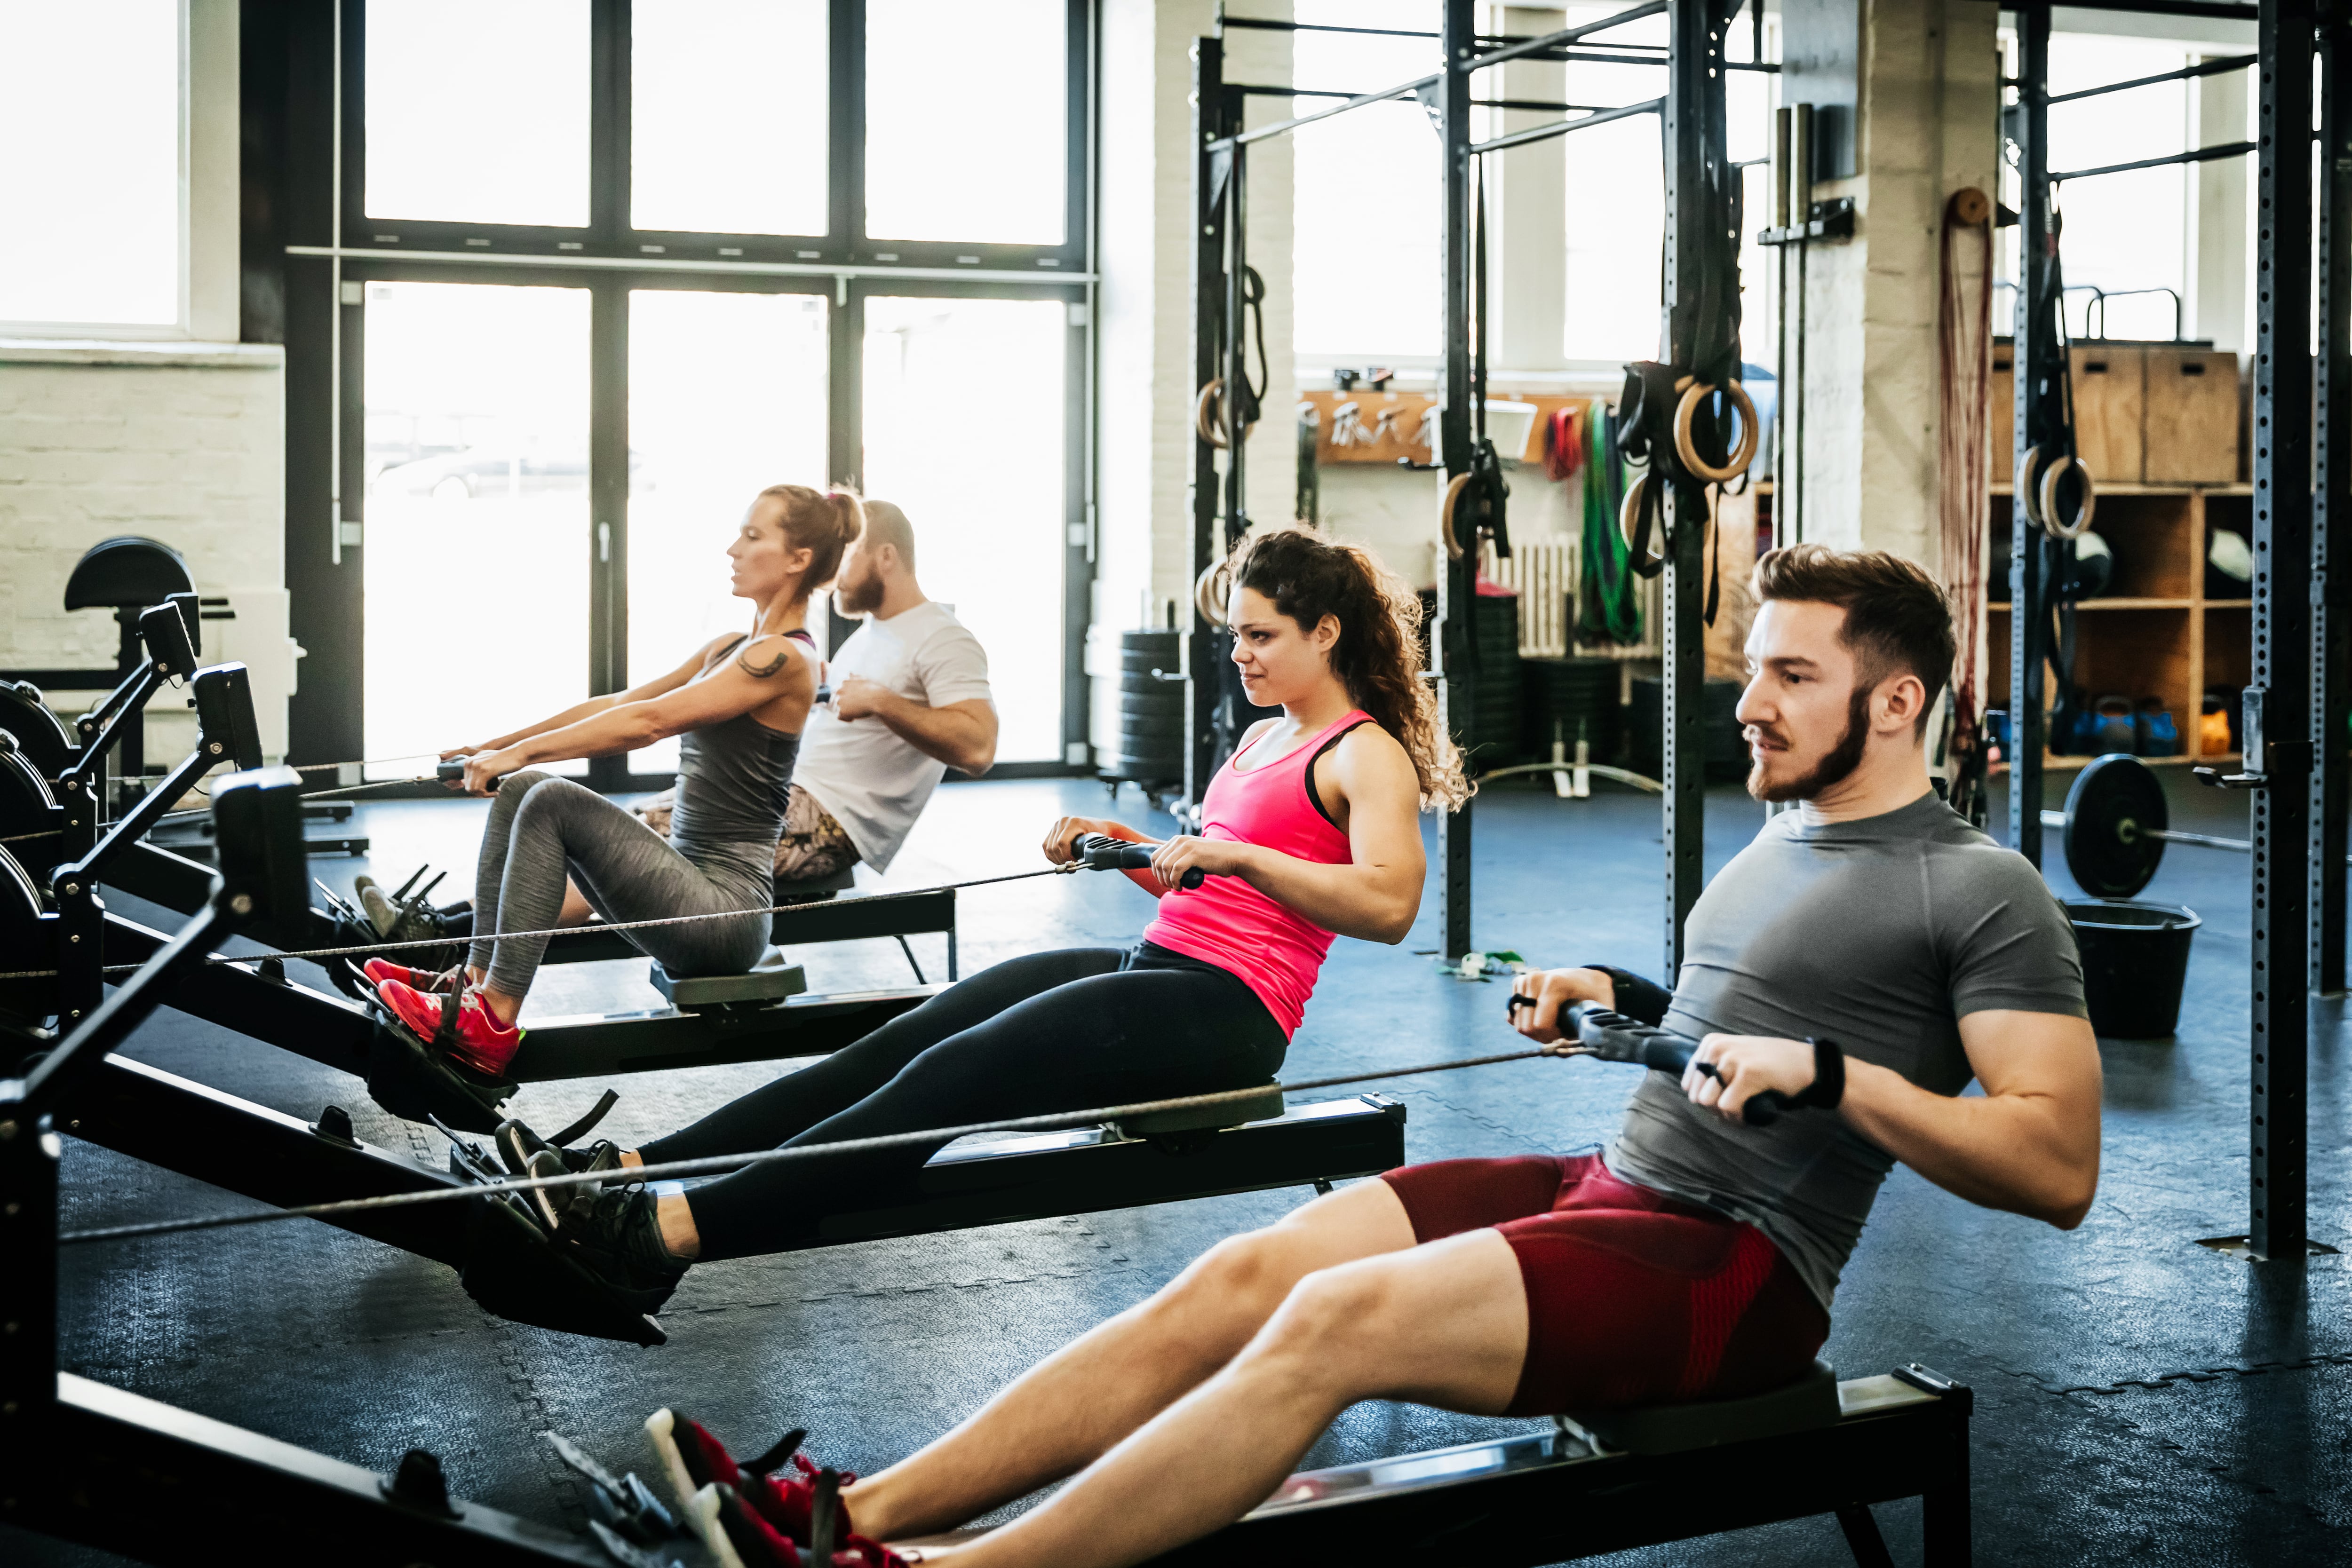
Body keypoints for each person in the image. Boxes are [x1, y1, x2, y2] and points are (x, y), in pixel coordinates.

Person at [624, 544, 2102, 1568]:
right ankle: (855, 1514)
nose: (1748, 700)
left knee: (1332, 1328)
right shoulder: (1787, 829)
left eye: (1787, 674)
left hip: (1740, 1269)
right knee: (1243, 1274)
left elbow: (2054, 1163)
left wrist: (1838, 1081)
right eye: (1753, 667)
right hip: (1616, 1179)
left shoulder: (1975, 888)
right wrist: (1619, 990)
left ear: (1894, 698)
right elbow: (1744, 1025)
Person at [505, 526, 1470, 1310]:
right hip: (1163, 961)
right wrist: (1123, 844)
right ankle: (623, 1169)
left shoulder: (1361, 753)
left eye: (1261, 635)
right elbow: (1209, 886)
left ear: (1328, 633)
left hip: (1234, 1014)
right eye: (1237, 633)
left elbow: (1388, 904)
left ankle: (663, 1238)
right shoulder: (1265, 735)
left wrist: (1237, 851)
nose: (1240, 653)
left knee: (949, 1079)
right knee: (894, 1044)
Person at [360, 485, 860, 1078]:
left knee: (548, 796)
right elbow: (621, 701)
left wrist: (520, 754)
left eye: (753, 537)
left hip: (724, 916)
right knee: (526, 788)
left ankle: (493, 1019)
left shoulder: (785, 660)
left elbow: (646, 724)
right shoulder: (731, 647)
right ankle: (471, 983)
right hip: (686, 887)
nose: (732, 548)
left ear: (798, 558)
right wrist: (500, 746)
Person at [585, 499, 998, 905]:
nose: (833, 575)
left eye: (848, 557)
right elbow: (853, 716)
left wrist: (881, 701)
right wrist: (818, 692)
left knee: (609, 840)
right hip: (789, 793)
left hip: (829, 821)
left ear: (886, 557)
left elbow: (978, 748)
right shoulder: (876, 632)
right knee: (617, 822)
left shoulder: (943, 637)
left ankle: (523, 950)